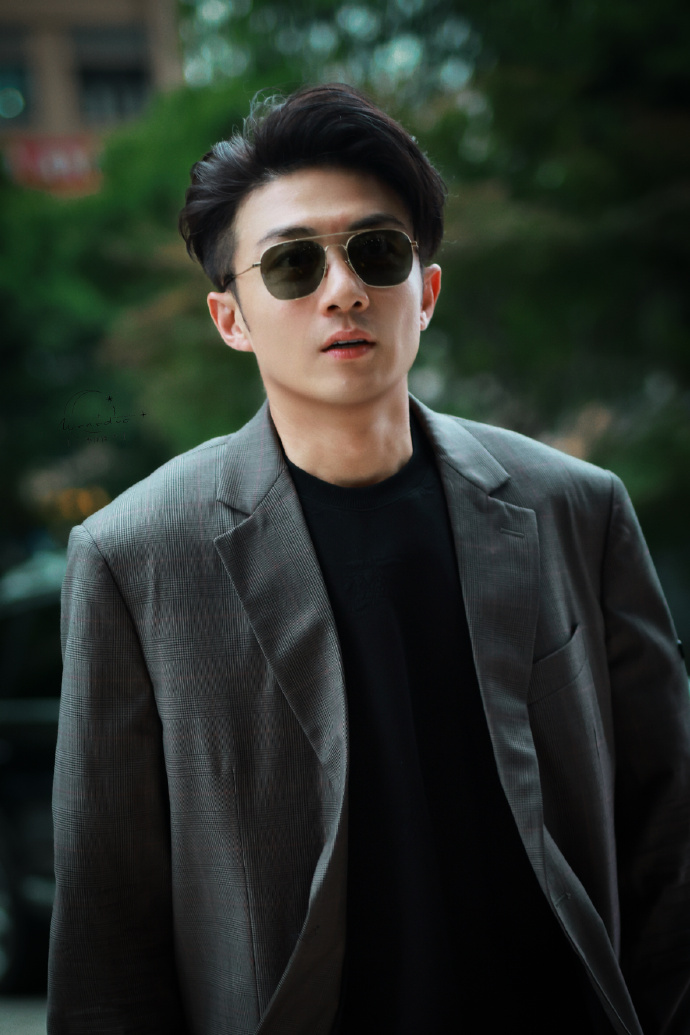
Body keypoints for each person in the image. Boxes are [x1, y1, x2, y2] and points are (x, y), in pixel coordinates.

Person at [48, 83, 690, 1035]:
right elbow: (108, 925)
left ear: (424, 292)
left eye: (377, 251)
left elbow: (671, 835)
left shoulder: (576, 509)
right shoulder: (133, 557)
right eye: (292, 264)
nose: (343, 288)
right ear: (231, 318)